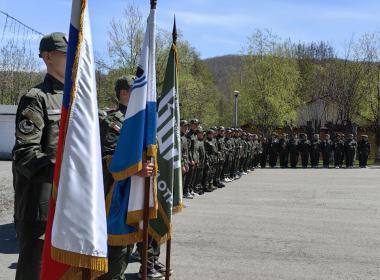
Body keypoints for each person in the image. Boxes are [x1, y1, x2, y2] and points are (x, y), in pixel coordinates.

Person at [12, 32, 67, 280]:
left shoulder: (76, 99)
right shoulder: (36, 98)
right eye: (66, 54)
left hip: (70, 203)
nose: (72, 59)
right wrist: (65, 170)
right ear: (48, 57)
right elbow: (25, 154)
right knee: (34, 271)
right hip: (40, 204)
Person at [99, 76, 160, 280]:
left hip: (137, 193)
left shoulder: (142, 121)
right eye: (137, 90)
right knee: (116, 250)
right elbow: (110, 159)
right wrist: (136, 170)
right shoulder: (113, 121)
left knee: (129, 246)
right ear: (124, 93)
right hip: (117, 194)